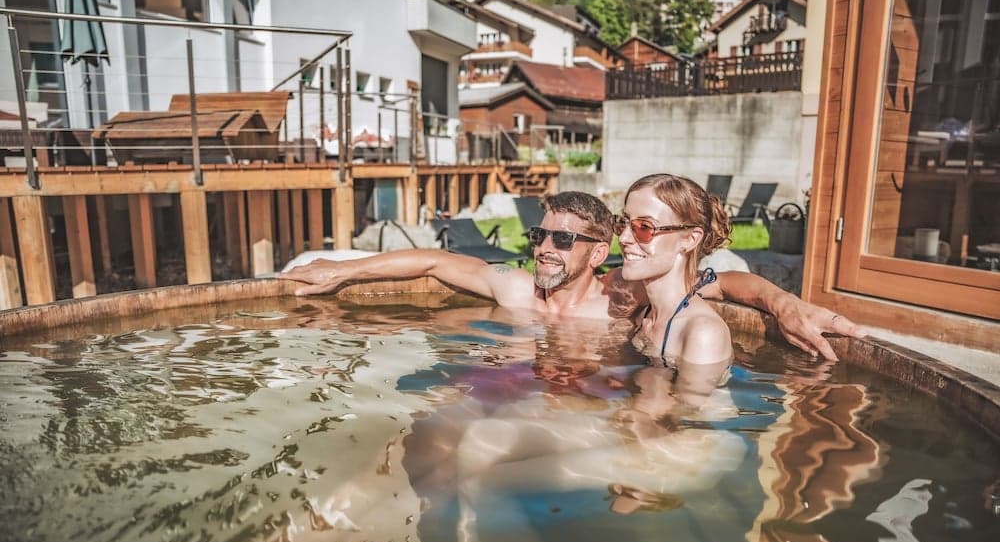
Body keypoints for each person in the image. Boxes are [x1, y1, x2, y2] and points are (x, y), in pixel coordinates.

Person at [280, 190, 863, 361]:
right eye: (540, 236)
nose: (545, 249)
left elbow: (725, 284)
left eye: (563, 240)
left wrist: (784, 303)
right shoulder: (515, 288)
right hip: (505, 384)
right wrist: (342, 271)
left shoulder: (621, 295)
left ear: (597, 251)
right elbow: (434, 261)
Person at [616, 173, 734, 394]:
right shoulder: (644, 314)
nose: (623, 238)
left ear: (689, 239)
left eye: (644, 227)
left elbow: (688, 412)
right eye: (623, 223)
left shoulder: (703, 333)